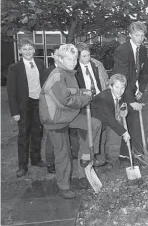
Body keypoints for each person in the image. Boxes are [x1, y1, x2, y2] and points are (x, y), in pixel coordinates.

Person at [39, 44, 103, 199]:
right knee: (63, 154)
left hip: (68, 115)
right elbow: (65, 100)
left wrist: (82, 92)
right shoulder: (57, 75)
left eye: (75, 58)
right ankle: (64, 187)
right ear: (60, 59)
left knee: (94, 124)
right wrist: (84, 99)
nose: (73, 61)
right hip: (55, 119)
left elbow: (70, 91)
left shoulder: (69, 73)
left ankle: (86, 156)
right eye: (69, 58)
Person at [7, 39, 46, 177]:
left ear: (34, 50)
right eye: (24, 49)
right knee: (24, 135)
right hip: (24, 105)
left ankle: (36, 159)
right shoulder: (14, 68)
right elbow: (11, 92)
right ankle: (22, 165)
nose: (28, 51)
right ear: (20, 51)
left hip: (38, 102)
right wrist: (15, 112)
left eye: (30, 49)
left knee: (37, 132)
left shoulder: (40, 64)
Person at [112, 21, 148, 160]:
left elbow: (145, 71)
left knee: (132, 121)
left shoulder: (143, 49)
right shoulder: (122, 51)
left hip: (135, 90)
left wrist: (142, 89)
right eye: (137, 35)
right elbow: (122, 78)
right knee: (128, 120)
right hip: (122, 90)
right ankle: (133, 152)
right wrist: (130, 100)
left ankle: (126, 153)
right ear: (130, 35)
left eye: (142, 35)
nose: (140, 38)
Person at [90, 74, 131, 167]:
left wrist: (123, 109)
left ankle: (107, 160)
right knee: (99, 141)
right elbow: (109, 118)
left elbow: (120, 104)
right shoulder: (104, 97)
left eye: (122, 88)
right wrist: (124, 133)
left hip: (103, 122)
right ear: (110, 86)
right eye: (117, 87)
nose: (120, 90)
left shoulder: (117, 94)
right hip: (93, 122)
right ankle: (95, 162)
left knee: (107, 137)